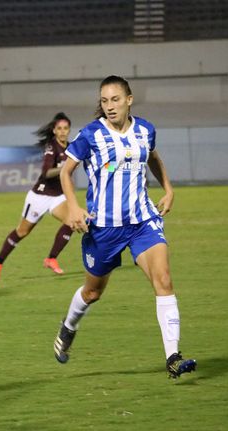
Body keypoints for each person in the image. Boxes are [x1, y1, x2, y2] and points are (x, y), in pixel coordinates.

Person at [53, 75, 196, 379]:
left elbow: (152, 157)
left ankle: (172, 356)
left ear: (129, 99)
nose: (110, 106)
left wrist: (168, 188)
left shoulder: (145, 129)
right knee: (92, 293)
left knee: (164, 280)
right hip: (103, 228)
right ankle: (69, 326)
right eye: (104, 101)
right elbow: (66, 172)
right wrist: (75, 206)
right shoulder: (91, 135)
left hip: (143, 221)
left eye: (115, 99)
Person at [0, 112, 75, 282]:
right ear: (54, 131)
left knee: (72, 221)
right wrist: (65, 168)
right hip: (39, 196)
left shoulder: (72, 148)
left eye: (66, 128)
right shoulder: (51, 148)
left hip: (57, 197)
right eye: (59, 128)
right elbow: (47, 172)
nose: (63, 131)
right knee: (22, 232)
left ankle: (51, 258)